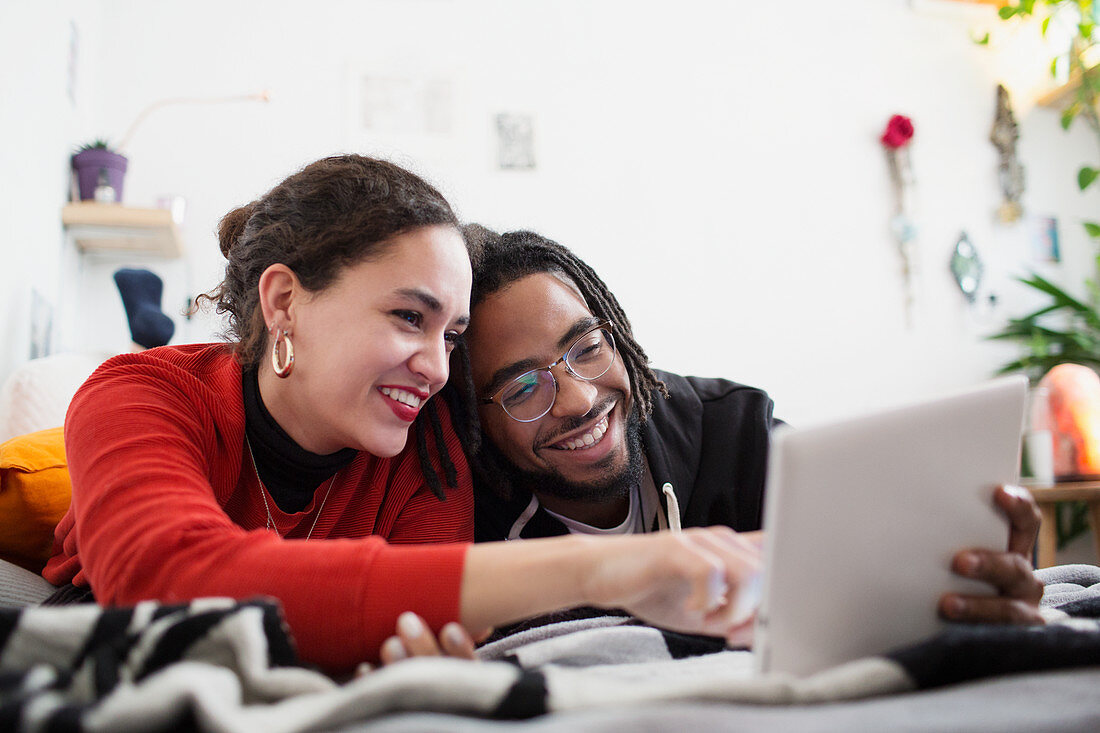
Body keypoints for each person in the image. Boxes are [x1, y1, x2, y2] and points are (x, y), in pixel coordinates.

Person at [41, 155, 765, 676]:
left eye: (450, 335)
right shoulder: (140, 394)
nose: (438, 367)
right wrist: (606, 565)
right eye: (409, 316)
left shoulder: (433, 454)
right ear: (285, 301)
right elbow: (168, 577)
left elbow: (410, 640)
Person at [379, 225, 1044, 663]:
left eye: (587, 346)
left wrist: (973, 576)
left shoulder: (737, 431)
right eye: (524, 388)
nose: (581, 398)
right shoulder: (462, 521)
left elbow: (867, 566)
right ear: (473, 418)